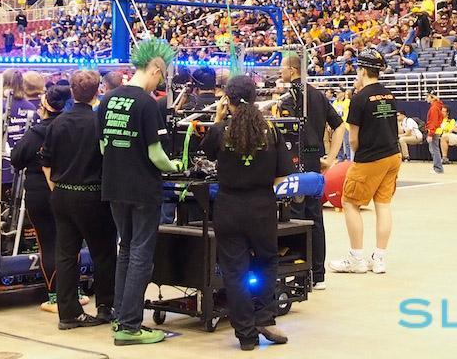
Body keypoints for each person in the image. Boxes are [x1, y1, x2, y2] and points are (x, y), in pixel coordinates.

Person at [99, 39, 182, 346]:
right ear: (156, 68)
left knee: (125, 249)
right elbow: (156, 155)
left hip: (114, 185)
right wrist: (176, 166)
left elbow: (104, 146)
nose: (160, 82)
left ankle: (121, 315)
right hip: (142, 188)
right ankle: (130, 326)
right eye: (163, 75)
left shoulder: (108, 99)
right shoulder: (146, 104)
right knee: (141, 256)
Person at [201, 75, 294, 351]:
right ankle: (264, 317)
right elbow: (282, 175)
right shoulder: (271, 130)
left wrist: (218, 119)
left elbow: (205, 153)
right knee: (267, 262)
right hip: (262, 206)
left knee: (235, 272)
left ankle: (246, 335)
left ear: (227, 99)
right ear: (254, 98)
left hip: (228, 206)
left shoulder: (221, 131)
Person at [41, 71, 117, 330]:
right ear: (98, 91)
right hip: (93, 195)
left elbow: (46, 163)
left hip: (62, 194)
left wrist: (57, 189)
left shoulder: (57, 124)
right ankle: (106, 306)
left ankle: (69, 313)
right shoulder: (100, 123)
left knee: (65, 254)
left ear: (71, 91)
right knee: (104, 252)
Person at [328, 48, 401, 275]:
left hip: (370, 158)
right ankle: (379, 259)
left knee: (349, 202)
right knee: (383, 205)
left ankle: (356, 258)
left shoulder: (359, 99)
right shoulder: (389, 95)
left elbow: (353, 138)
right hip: (393, 155)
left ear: (362, 70)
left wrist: (359, 155)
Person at [277, 54, 344, 290]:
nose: (280, 72)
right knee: (315, 217)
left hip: (295, 163)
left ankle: (300, 274)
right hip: (314, 161)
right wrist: (331, 157)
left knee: (295, 217)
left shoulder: (288, 98)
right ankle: (317, 274)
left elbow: (285, 134)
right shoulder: (318, 95)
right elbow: (339, 125)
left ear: (293, 70)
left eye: (283, 67)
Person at [11, 84, 70, 313]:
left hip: (39, 193)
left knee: (48, 244)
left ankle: (55, 296)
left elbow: (16, 159)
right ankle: (73, 292)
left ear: (44, 106)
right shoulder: (71, 127)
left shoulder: (36, 133)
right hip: (69, 191)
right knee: (69, 243)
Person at [425, 92, 447, 174]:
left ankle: (438, 168)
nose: (426, 98)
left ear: (431, 97)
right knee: (434, 150)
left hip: (434, 131)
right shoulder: (438, 106)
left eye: (427, 96)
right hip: (436, 130)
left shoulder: (434, 108)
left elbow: (433, 121)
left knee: (434, 150)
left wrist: (430, 134)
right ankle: (437, 167)